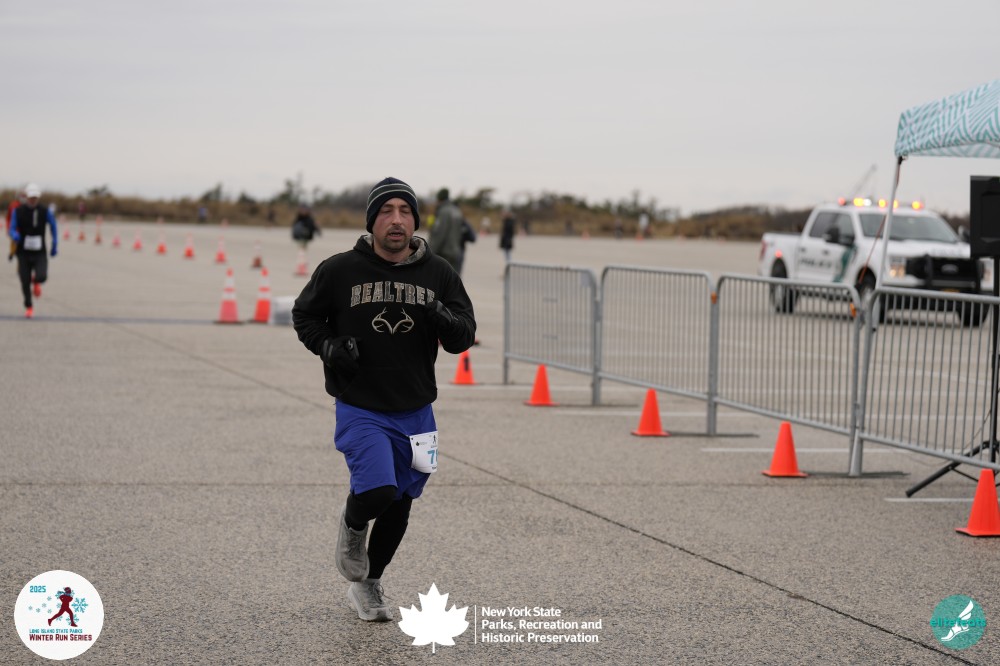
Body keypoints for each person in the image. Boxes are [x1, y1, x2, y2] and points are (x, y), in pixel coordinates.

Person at [292, 177, 476, 622]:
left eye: (405, 211)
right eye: (387, 211)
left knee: (401, 502)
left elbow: (464, 336)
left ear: (416, 221)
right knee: (378, 490)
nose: (397, 220)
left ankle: (369, 585)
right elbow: (305, 315)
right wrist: (328, 346)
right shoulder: (340, 270)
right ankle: (353, 523)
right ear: (372, 221)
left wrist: (444, 319)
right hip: (361, 405)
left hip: (417, 410)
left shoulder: (439, 273)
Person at [9, 183, 58, 318]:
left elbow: (53, 226)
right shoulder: (18, 211)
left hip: (39, 251)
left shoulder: (44, 211)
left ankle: (36, 281)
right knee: (24, 281)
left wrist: (55, 243)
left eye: (35, 197)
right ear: (26, 197)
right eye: (31, 197)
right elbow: (12, 228)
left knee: (42, 276)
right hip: (23, 252)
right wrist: (14, 235)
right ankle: (29, 306)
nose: (33, 200)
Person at [427, 188, 465, 272]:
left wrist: (430, 253)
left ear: (439, 199)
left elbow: (439, 234)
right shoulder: (456, 210)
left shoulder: (443, 211)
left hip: (444, 254)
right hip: (455, 252)